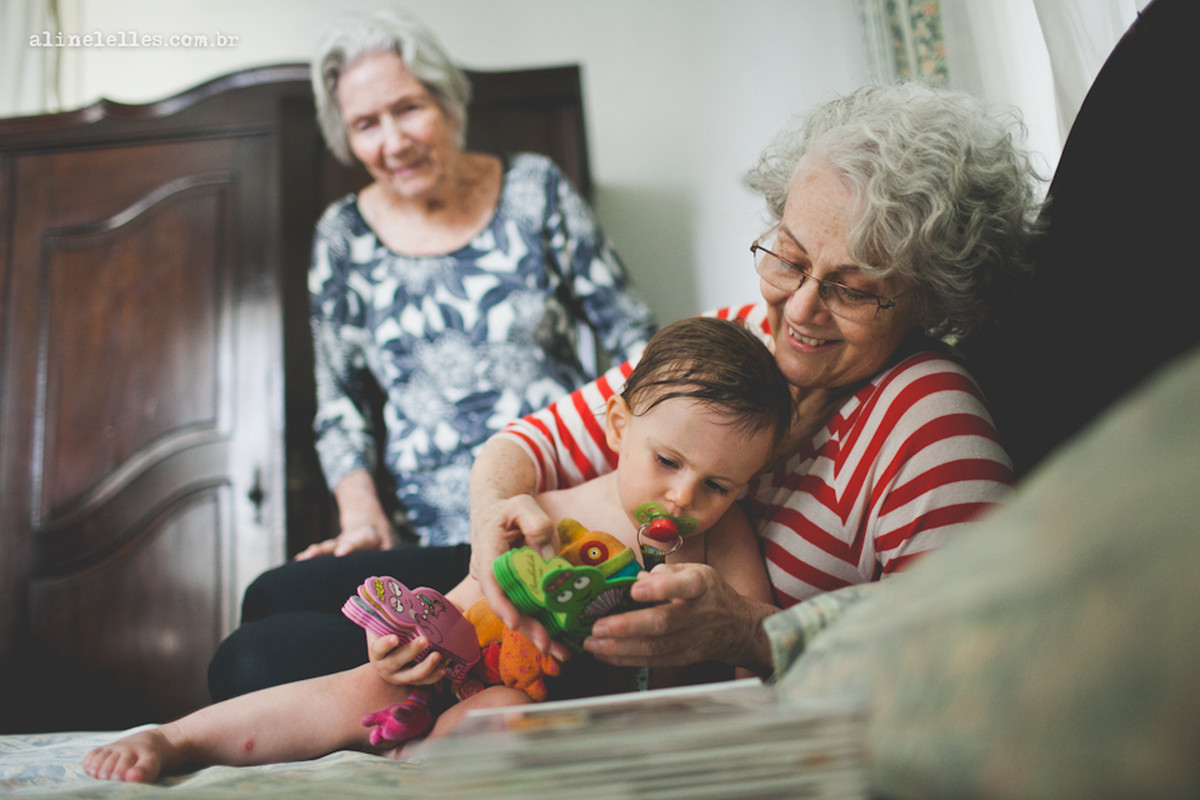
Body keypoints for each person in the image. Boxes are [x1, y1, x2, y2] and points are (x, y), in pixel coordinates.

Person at [468, 82, 1044, 669]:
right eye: (790, 259)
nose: (799, 310)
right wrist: (493, 514)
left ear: (930, 300)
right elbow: (528, 444)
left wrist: (748, 631)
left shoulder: (928, 418)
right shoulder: (735, 336)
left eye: (853, 290)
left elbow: (977, 635)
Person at [83, 317, 793, 784]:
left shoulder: (718, 537)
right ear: (616, 425)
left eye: (718, 485)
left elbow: (753, 639)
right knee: (359, 691)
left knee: (501, 720)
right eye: (667, 461)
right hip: (469, 668)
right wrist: (402, 653)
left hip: (549, 711)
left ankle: (414, 765)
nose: (683, 498)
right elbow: (458, 617)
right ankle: (176, 739)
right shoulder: (551, 512)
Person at [207, 9, 655, 699]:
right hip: (432, 541)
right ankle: (437, 680)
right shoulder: (344, 236)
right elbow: (342, 402)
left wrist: (633, 495)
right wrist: (362, 519)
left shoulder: (535, 190)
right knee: (268, 598)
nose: (393, 142)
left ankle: (446, 684)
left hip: (543, 522)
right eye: (365, 124)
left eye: (408, 109)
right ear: (346, 137)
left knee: (255, 664)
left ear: (447, 100)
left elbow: (636, 344)